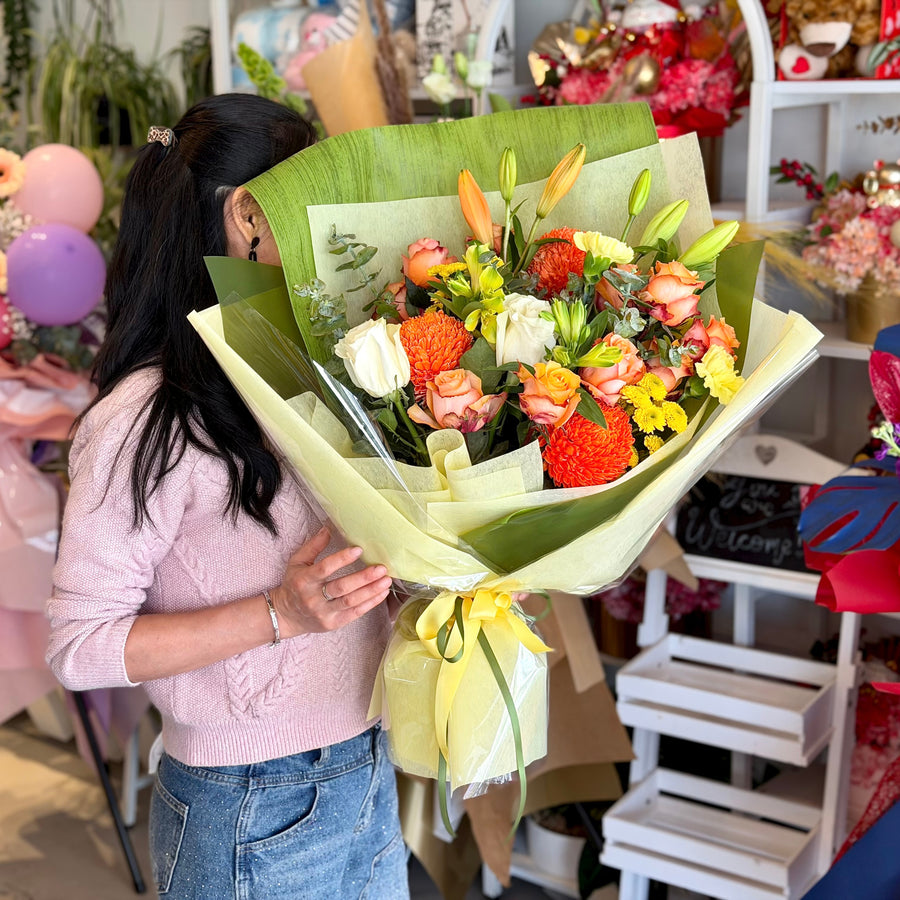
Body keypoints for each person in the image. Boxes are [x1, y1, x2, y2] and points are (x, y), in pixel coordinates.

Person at [46, 93, 409, 900]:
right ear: (247, 215)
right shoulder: (142, 418)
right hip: (246, 805)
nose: (325, 225)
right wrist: (279, 613)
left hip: (367, 770)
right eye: (305, 200)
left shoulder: (302, 372)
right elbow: (80, 647)